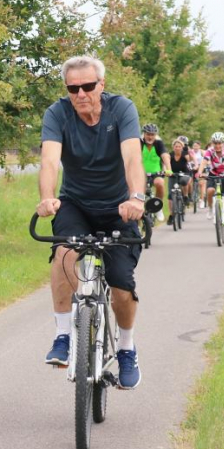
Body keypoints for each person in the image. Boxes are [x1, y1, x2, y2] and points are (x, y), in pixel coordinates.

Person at [37, 55, 146, 389]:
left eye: (88, 86)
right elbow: (49, 160)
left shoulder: (122, 109)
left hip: (119, 207)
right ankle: (63, 336)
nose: (81, 93)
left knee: (121, 285)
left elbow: (132, 156)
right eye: (73, 88)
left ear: (102, 84)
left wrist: (136, 198)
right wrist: (47, 196)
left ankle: (127, 348)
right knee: (64, 252)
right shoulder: (57, 114)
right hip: (75, 204)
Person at [196, 132, 224, 234]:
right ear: (212, 143)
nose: (218, 145)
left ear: (223, 143)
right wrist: (199, 172)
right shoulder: (210, 151)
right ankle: (211, 208)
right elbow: (203, 162)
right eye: (215, 143)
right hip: (213, 174)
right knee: (210, 190)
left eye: (220, 143)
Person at [140, 124, 171, 222]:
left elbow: (165, 155)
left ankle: (158, 207)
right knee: (138, 192)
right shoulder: (139, 143)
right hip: (141, 173)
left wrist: (168, 169)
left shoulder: (158, 143)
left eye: (152, 135)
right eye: (148, 134)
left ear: (155, 135)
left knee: (160, 183)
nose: (150, 137)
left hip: (156, 172)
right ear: (144, 134)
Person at [167, 138, 191, 225]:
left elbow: (189, 160)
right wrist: (166, 171)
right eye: (176, 146)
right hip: (173, 175)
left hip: (184, 173)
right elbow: (166, 164)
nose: (177, 148)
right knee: (170, 195)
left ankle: (185, 196)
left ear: (182, 147)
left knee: (184, 181)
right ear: (173, 147)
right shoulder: (170, 155)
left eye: (179, 146)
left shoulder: (185, 154)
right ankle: (171, 215)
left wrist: (191, 163)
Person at [191, 140, 207, 208]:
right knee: (190, 181)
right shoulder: (190, 152)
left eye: (197, 146)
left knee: (202, 183)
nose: (195, 147)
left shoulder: (203, 152)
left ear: (199, 146)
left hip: (201, 168)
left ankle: (202, 200)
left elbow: (207, 160)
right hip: (193, 168)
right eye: (194, 146)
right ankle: (192, 194)